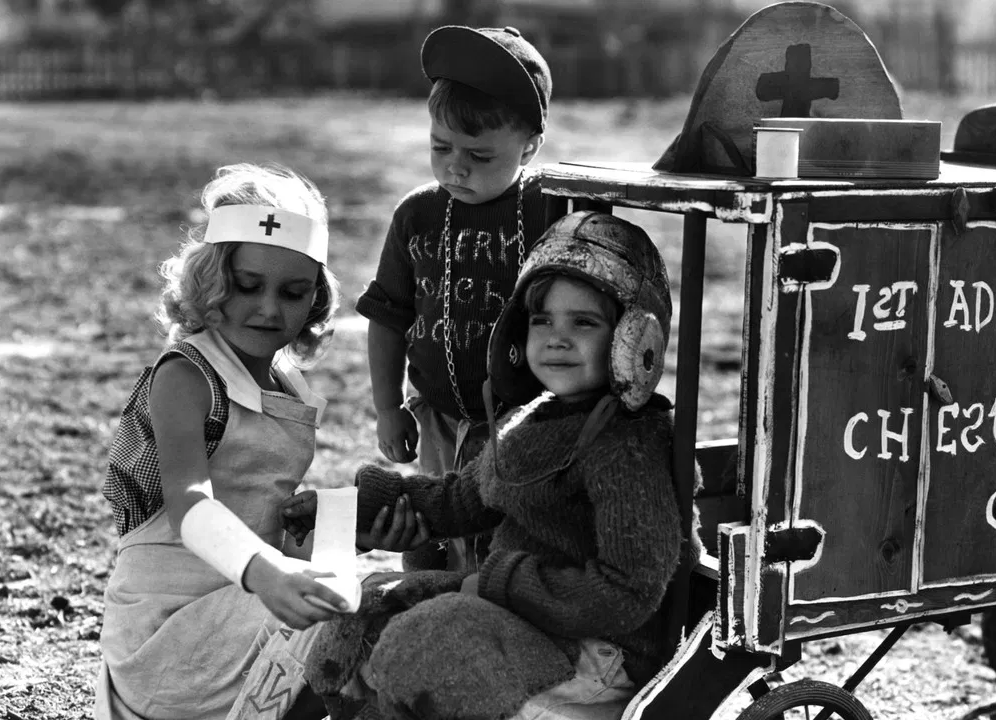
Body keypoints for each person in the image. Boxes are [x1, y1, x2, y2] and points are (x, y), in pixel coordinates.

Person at [284, 211, 701, 720]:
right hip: (526, 615)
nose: (557, 338)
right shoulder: (535, 419)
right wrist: (353, 506)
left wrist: (499, 581)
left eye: (584, 322)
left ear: (635, 339)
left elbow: (625, 592)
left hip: (603, 651)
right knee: (367, 607)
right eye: (542, 320)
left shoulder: (628, 447)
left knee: (428, 645)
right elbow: (460, 501)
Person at [95, 163, 347, 720]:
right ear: (210, 280)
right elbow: (190, 505)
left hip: (244, 606)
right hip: (168, 637)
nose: (269, 309)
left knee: (376, 603)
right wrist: (264, 569)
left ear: (316, 298)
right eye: (247, 286)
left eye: (293, 292)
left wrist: (346, 526)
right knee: (341, 622)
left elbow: (259, 511)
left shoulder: (285, 383)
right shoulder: (186, 376)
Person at [356, 24, 554, 574]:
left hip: (526, 423)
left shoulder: (552, 208)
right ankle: (425, 604)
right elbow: (387, 316)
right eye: (440, 147)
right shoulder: (416, 214)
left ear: (530, 145)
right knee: (432, 525)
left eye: (480, 154)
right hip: (439, 417)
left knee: (508, 539)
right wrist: (388, 408)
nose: (455, 166)